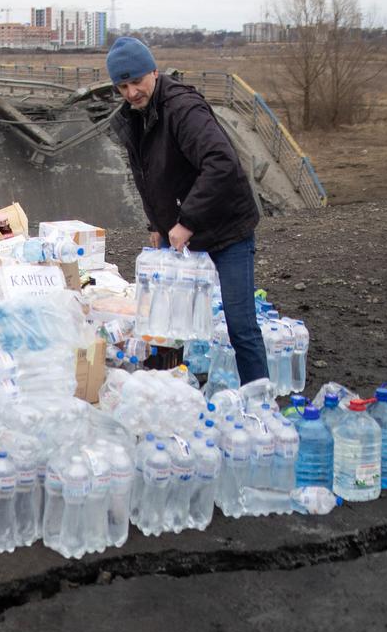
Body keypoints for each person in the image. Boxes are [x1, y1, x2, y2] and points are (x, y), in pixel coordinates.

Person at [107, 37, 267, 387]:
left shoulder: (183, 109)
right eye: (123, 86)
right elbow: (152, 175)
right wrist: (158, 223)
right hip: (181, 231)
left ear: (154, 71)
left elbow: (222, 164)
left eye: (137, 81)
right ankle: (179, 394)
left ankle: (261, 399)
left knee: (240, 324)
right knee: (170, 323)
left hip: (227, 229)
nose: (132, 92)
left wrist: (186, 221)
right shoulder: (136, 116)